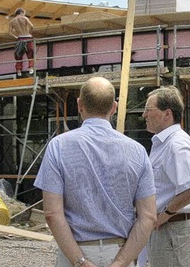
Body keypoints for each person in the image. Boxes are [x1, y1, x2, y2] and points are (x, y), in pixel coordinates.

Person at [34, 76, 156, 267]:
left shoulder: (58, 146)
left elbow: (51, 213)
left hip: (75, 252)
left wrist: (80, 261)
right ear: (114, 107)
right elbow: (148, 216)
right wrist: (120, 262)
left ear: (79, 105)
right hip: (121, 250)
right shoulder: (137, 151)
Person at [142, 86, 190, 267]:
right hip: (167, 228)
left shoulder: (177, 144)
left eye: (148, 110)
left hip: (172, 228)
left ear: (167, 114)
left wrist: (166, 214)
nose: (144, 115)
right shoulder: (164, 143)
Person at [8, 7, 35, 77]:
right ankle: (31, 68)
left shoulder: (12, 21)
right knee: (30, 54)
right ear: (21, 12)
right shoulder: (25, 18)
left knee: (18, 55)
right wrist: (30, 33)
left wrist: (16, 37)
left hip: (20, 39)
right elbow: (32, 26)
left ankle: (19, 71)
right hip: (28, 38)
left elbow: (10, 32)